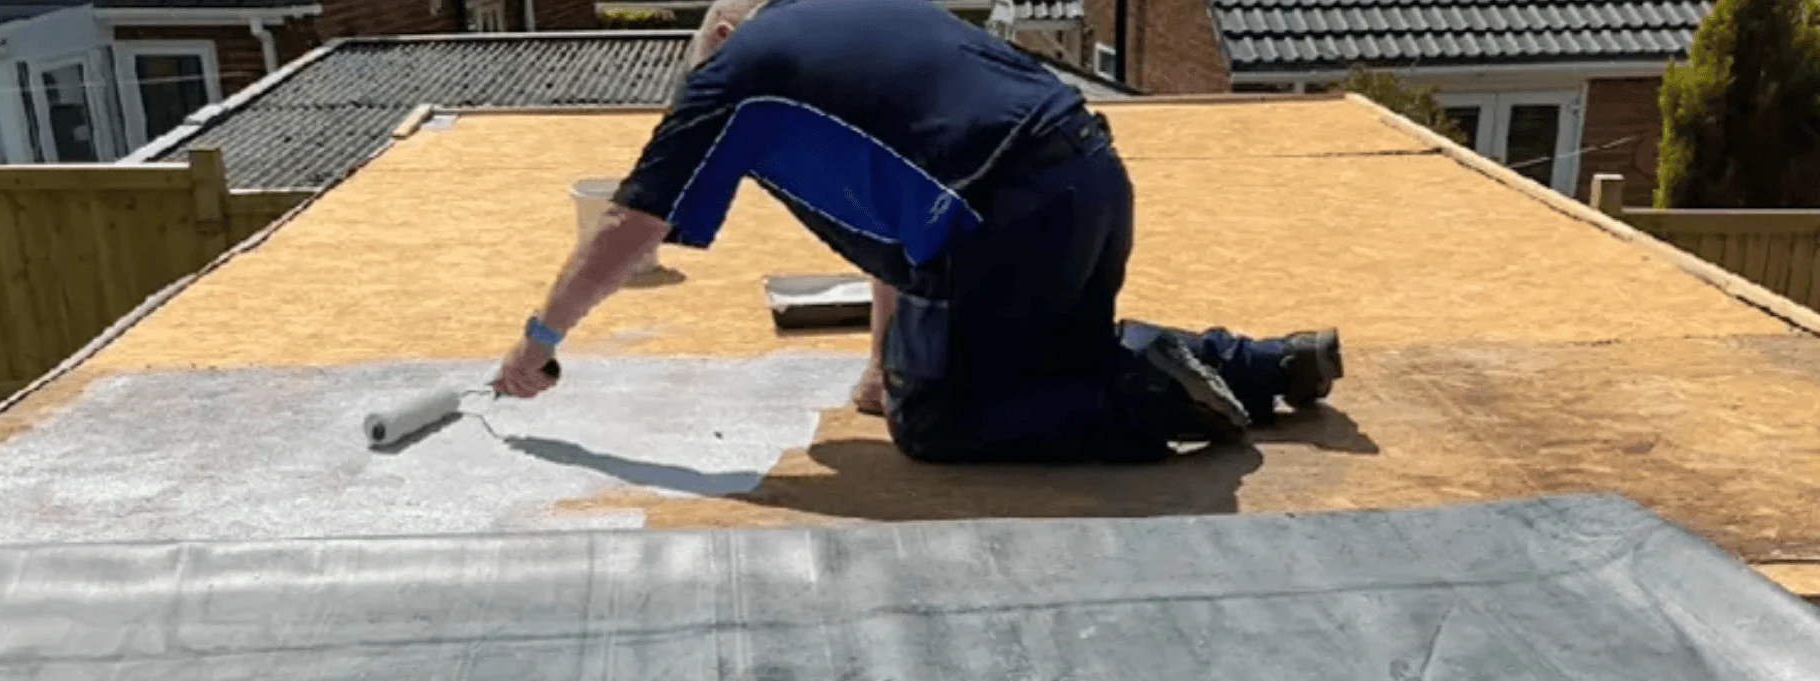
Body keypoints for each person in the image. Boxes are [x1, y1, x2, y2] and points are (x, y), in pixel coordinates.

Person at [492, 0, 1342, 463]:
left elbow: (630, 223)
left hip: (1002, 215)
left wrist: (539, 341)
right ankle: (1262, 363)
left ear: (720, 37)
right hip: (1089, 177)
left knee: (939, 423)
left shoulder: (735, 78)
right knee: (1051, 357)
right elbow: (896, 218)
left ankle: (1148, 396)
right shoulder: (851, 24)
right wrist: (880, 362)